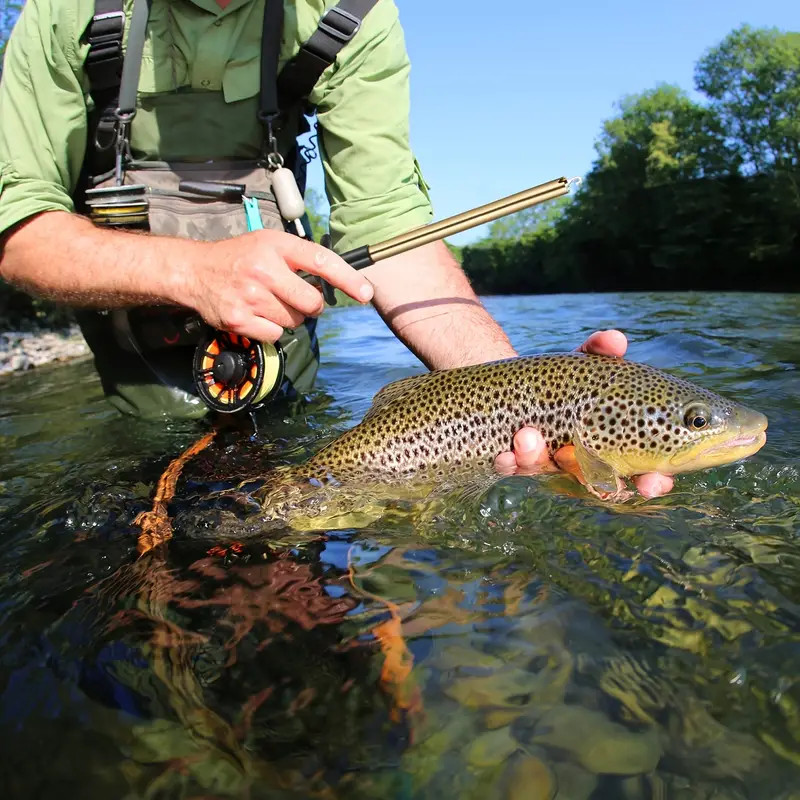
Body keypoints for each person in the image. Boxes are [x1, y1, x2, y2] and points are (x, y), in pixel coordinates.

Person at [0, 0, 673, 499]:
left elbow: (387, 225)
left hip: (282, 386)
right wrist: (190, 271)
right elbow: (19, 230)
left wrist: (523, 394)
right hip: (134, 405)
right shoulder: (67, 12)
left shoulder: (352, 13)